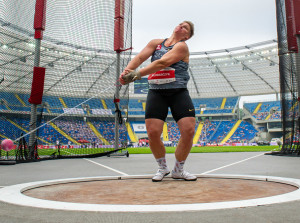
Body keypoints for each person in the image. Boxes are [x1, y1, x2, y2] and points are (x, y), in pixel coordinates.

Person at [119, 21, 197, 182]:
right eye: (180, 24)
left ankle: (178, 169)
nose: (181, 26)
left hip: (178, 92)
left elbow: (162, 63)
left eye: (185, 27)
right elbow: (140, 57)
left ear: (187, 36)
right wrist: (127, 71)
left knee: (188, 131)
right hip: (157, 92)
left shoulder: (182, 47)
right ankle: (162, 168)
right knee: (153, 133)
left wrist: (135, 75)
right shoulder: (156, 43)